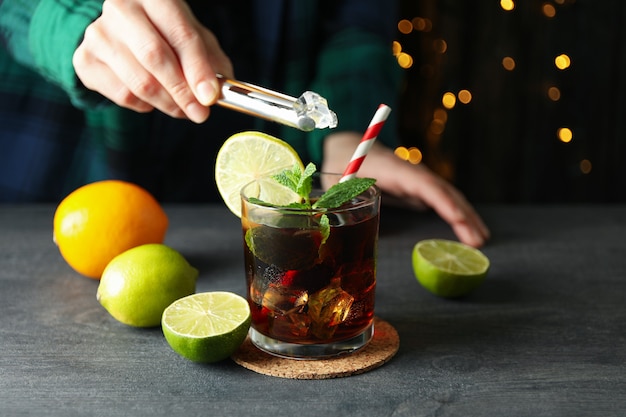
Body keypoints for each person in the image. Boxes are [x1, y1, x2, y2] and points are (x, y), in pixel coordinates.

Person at [0, 0, 489, 247]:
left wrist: (343, 138)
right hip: (60, 179)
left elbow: (356, 14)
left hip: (268, 205)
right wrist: (69, 19)